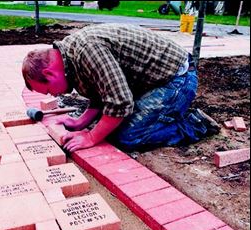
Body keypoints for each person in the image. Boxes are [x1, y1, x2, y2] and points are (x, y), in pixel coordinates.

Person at [22, 23, 220, 153]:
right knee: (109, 125)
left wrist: (91, 137)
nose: (54, 94)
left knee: (127, 136)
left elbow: (121, 102)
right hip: (151, 81)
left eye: (48, 90)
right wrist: (81, 121)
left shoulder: (86, 51)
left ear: (49, 73)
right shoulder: (70, 56)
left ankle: (193, 125)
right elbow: (102, 90)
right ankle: (164, 115)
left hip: (177, 80)